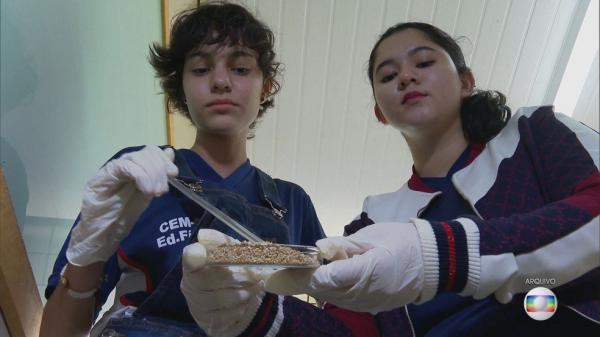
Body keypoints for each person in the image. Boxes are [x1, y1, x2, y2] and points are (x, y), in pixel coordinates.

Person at [182, 22, 600, 336]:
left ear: (467, 82)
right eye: (387, 75)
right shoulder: (374, 223)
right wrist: (255, 314)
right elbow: (348, 331)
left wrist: (438, 256)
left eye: (424, 62)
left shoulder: (534, 134)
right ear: (381, 112)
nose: (406, 77)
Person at [39, 2, 326, 337]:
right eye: (201, 69)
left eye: (241, 69)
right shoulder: (137, 175)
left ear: (266, 88)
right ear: (181, 88)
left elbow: (341, 311)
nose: (220, 81)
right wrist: (88, 252)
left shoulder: (293, 201)